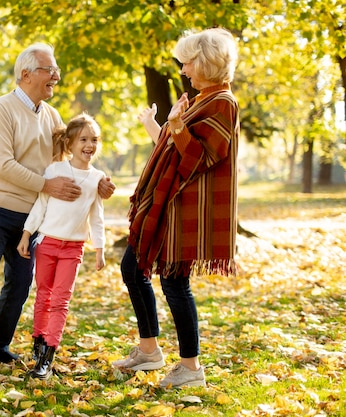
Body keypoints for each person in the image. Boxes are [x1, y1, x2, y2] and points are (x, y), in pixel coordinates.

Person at [0, 43, 116, 378]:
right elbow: (2, 163)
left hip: (30, 216)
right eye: (48, 70)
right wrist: (45, 186)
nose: (56, 76)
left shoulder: (52, 116)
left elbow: (66, 162)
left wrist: (96, 183)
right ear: (25, 74)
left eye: (56, 70)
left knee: (21, 283)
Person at [112, 27, 240, 388]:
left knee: (174, 283)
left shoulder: (223, 103)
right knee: (133, 268)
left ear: (206, 62)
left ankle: (190, 368)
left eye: (187, 63)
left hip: (186, 209)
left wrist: (177, 126)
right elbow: (171, 150)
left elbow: (201, 157)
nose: (183, 70)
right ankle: (150, 350)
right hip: (167, 205)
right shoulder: (202, 99)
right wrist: (161, 125)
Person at [17, 113, 107, 379]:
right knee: (44, 296)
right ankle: (38, 340)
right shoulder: (55, 170)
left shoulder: (97, 177)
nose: (89, 145)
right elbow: (41, 205)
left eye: (94, 140)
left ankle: (47, 357)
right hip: (46, 243)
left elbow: (97, 217)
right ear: (69, 142)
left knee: (60, 301)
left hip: (73, 249)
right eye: (84, 139)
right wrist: (26, 234)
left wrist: (99, 249)